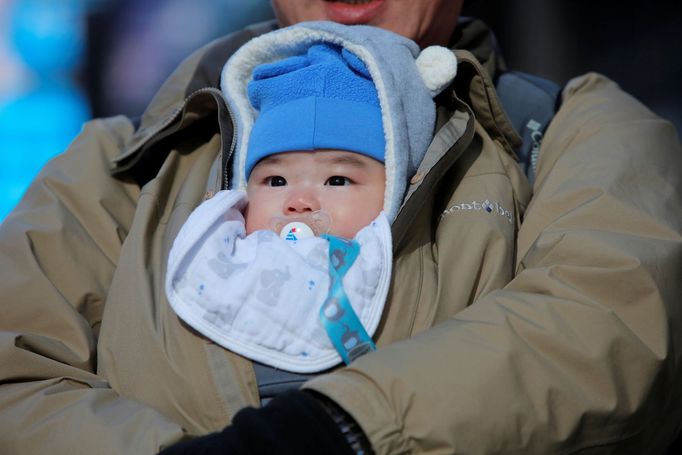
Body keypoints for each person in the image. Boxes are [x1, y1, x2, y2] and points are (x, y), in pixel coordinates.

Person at [0, 0, 681, 454]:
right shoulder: (114, 169)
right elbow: (17, 374)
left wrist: (337, 430)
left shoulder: (576, 134)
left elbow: (608, 322)